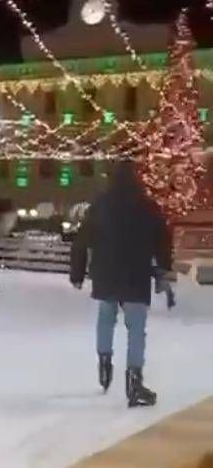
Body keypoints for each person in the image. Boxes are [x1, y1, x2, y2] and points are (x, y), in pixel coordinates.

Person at [70, 161, 172, 408]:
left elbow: (82, 240)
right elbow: (163, 239)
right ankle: (134, 383)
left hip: (106, 273)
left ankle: (104, 366)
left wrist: (77, 273)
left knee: (106, 319)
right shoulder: (147, 206)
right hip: (136, 275)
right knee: (136, 329)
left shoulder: (101, 205)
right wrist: (163, 269)